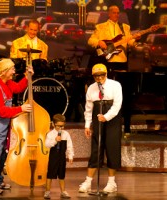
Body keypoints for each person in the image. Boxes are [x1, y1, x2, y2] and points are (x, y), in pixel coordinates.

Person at [0, 58, 33, 194]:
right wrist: (20, 108)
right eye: (12, 69)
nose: (14, 71)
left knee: (1, 155)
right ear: (4, 72)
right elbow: (3, 112)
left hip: (2, 124)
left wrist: (27, 77)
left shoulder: (7, 82)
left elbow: (18, 88)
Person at [88, 5, 140, 134]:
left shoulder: (125, 28)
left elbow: (130, 43)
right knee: (106, 92)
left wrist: (135, 40)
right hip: (107, 63)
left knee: (123, 93)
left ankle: (123, 122)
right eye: (114, 13)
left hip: (121, 63)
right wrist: (99, 42)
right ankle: (103, 118)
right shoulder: (100, 27)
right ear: (109, 14)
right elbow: (91, 40)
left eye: (118, 13)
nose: (117, 15)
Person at [78, 63, 122, 193]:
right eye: (96, 76)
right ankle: (88, 181)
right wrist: (87, 125)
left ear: (106, 74)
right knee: (96, 148)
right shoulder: (91, 88)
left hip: (112, 118)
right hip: (98, 115)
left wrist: (107, 117)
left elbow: (117, 105)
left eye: (101, 75)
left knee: (112, 148)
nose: (99, 78)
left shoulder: (115, 85)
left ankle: (111, 182)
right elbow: (88, 108)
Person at [44, 114, 74, 199]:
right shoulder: (50, 134)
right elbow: (47, 145)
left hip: (62, 157)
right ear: (53, 124)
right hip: (53, 157)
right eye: (58, 126)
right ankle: (47, 191)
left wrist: (70, 156)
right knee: (50, 174)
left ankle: (63, 191)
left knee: (62, 174)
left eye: (62, 126)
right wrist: (55, 140)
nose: (61, 128)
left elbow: (69, 146)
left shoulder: (66, 134)